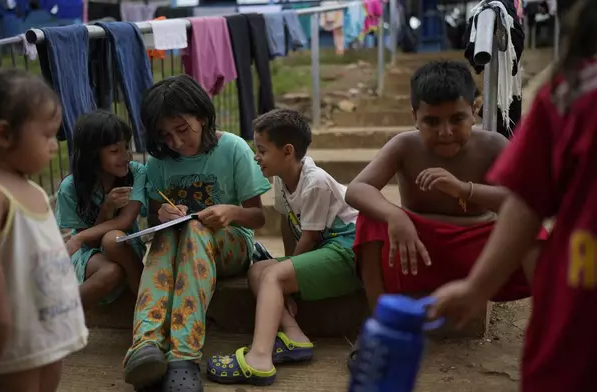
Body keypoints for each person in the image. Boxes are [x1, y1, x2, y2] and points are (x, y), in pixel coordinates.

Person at [430, 1, 597, 391]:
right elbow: (525, 202)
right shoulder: (570, 94)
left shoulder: (568, 92)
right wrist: (476, 288)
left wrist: (477, 288)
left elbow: (524, 203)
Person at [345, 60, 547, 363]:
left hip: (481, 254)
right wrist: (395, 215)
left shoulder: (492, 144)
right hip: (420, 251)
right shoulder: (403, 146)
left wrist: (465, 189)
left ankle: (548, 327)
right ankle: (381, 327)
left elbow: (526, 200)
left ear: (475, 111)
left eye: (457, 119)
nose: (446, 132)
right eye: (432, 122)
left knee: (533, 228)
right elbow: (357, 189)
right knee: (370, 217)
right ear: (414, 117)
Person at [123, 74, 271, 391]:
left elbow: (259, 217)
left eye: (182, 130)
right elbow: (153, 218)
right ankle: (146, 346)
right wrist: (160, 214)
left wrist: (231, 212)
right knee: (167, 235)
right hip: (178, 246)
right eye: (165, 135)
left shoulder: (232, 148)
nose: (175, 142)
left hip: (232, 246)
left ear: (202, 117)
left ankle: (182, 356)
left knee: (194, 229)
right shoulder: (160, 162)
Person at [0, 69, 87, 391]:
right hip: (16, 333)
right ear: (3, 135)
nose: (54, 146)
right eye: (46, 135)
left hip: (50, 324)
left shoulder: (30, 188)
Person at [206, 109, 362, 386]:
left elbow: (309, 238)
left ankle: (259, 359)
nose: (256, 156)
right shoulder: (282, 178)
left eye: (262, 150)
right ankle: (294, 337)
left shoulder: (315, 183)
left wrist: (288, 272)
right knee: (259, 271)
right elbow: (289, 226)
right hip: (324, 250)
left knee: (273, 276)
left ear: (287, 151)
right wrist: (291, 266)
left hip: (346, 249)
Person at [55, 110, 147, 308]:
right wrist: (107, 207)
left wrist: (78, 238)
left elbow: (125, 222)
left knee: (113, 239)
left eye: (126, 147)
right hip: (88, 253)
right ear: (92, 155)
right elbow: (92, 242)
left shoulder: (136, 172)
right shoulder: (70, 188)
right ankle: (56, 313)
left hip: (125, 247)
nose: (125, 156)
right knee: (110, 272)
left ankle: (142, 296)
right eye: (114, 151)